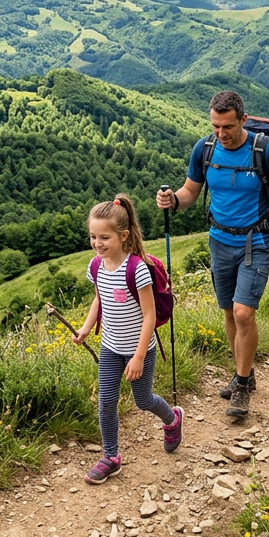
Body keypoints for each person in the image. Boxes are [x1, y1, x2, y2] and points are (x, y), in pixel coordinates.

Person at [157, 90, 269, 418]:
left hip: (257, 240)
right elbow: (191, 191)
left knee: (244, 312)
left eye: (228, 127)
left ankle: (243, 384)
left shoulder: (266, 153)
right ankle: (242, 372)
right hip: (219, 240)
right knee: (230, 313)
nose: (221, 134)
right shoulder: (204, 149)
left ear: (243, 120)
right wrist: (173, 201)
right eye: (216, 126)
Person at [74, 194, 184, 484]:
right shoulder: (96, 267)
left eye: (104, 237)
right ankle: (111, 457)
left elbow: (149, 316)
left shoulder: (137, 270)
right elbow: (99, 299)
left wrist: (137, 356)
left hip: (139, 349)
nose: (97, 243)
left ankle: (172, 419)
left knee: (143, 400)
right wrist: (86, 328)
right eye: (93, 237)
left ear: (123, 236)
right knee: (106, 402)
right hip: (110, 346)